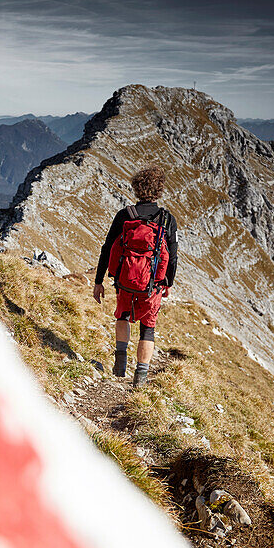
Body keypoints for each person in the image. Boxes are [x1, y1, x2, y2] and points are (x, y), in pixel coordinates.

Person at [93, 165, 178, 388]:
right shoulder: (167, 220)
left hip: (124, 281)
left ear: (137, 189)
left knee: (122, 316)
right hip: (152, 285)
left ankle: (120, 364)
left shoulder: (125, 215)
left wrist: (99, 281)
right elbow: (173, 255)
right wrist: (167, 283)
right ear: (159, 190)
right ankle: (140, 377)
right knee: (148, 328)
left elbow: (107, 248)